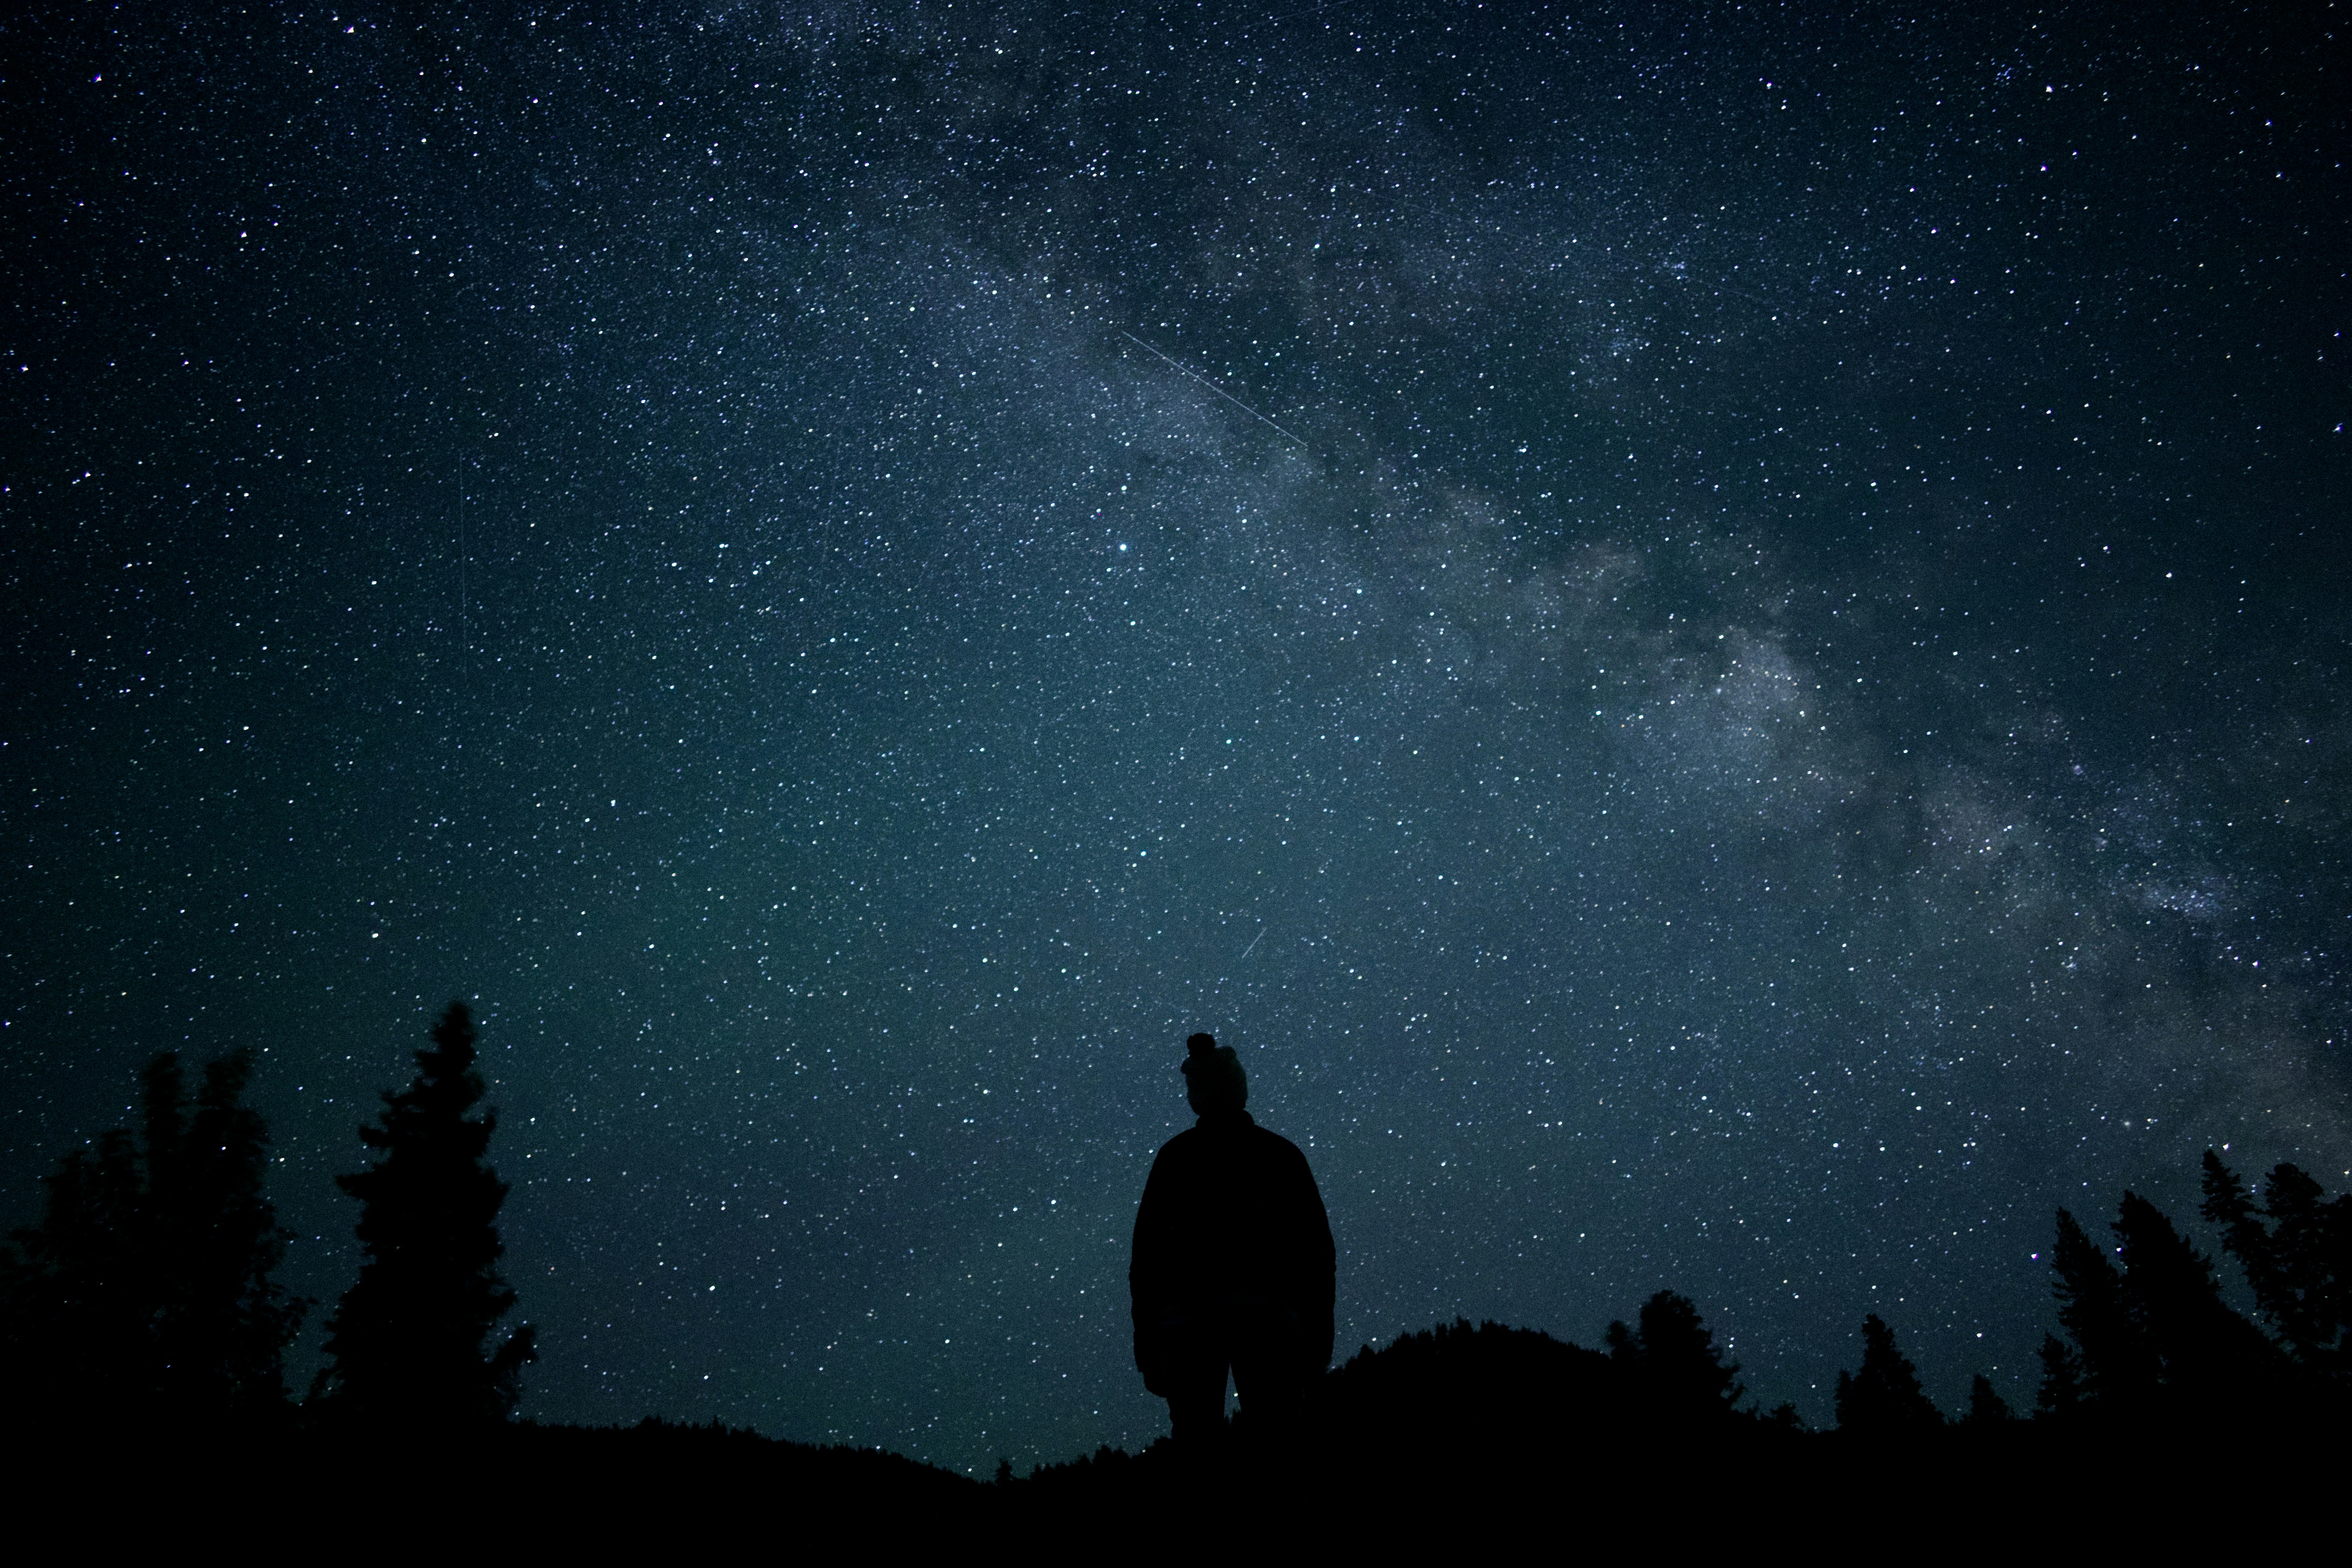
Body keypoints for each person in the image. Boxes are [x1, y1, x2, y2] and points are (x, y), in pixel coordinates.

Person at [1129, 1032, 1336, 1449]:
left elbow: (1147, 1261)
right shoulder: (1280, 1155)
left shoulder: (1175, 1160)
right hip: (1268, 1324)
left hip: (1187, 1328)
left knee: (1198, 1447)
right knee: (1278, 1444)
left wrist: (1149, 1348)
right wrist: (1317, 1339)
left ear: (1197, 1094)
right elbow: (1317, 1255)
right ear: (1238, 1086)